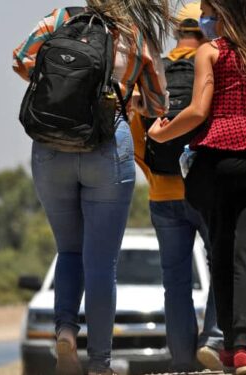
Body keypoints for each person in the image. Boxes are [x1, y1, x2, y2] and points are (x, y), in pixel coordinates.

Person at [12, 1, 172, 374]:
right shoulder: (135, 34)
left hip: (51, 142)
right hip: (107, 143)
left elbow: (21, 59)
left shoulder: (61, 18)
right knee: (101, 263)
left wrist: (63, 91)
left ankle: (65, 331)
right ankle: (99, 363)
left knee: (68, 251)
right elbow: (157, 102)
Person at [147, 1, 246, 373]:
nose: (205, 19)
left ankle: (230, 346)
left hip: (216, 164)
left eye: (210, 11)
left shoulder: (210, 52)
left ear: (224, 14)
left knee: (222, 252)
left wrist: (162, 132)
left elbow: (199, 112)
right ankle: (242, 347)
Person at [129, 2, 224, 371]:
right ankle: (214, 341)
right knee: (220, 267)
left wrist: (154, 175)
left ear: (178, 32)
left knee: (176, 281)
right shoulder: (214, 68)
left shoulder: (157, 72)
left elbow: (138, 137)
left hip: (163, 193)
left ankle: (183, 360)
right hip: (205, 190)